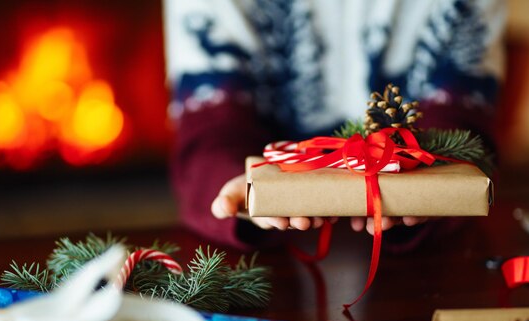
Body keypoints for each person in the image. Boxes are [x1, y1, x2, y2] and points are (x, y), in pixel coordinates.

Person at [163, 0, 505, 250]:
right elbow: (210, 134)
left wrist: (431, 191)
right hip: (271, 262)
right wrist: (247, 191)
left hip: (424, 259)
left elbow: (465, 128)